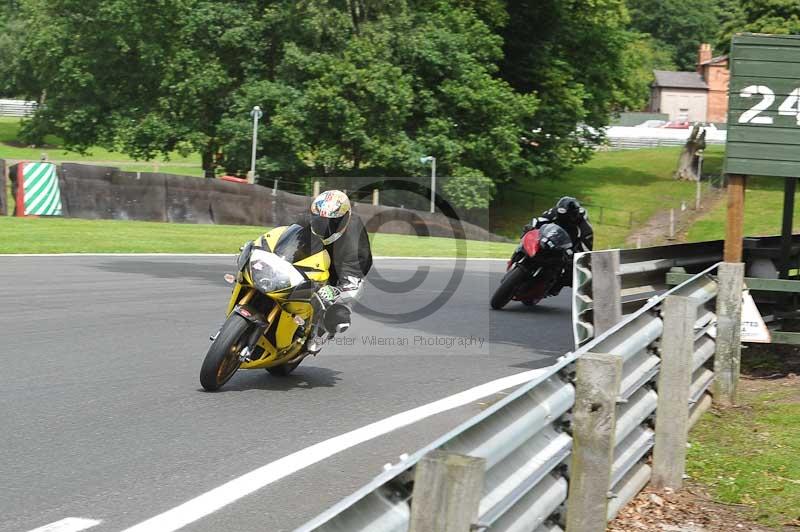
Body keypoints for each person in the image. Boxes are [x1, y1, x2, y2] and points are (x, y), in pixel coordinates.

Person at [301, 190, 372, 351]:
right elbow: (284, 236)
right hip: (314, 256)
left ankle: (318, 333)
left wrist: (336, 290)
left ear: (345, 218)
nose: (323, 226)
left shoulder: (355, 242)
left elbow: (352, 279)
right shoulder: (306, 219)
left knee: (338, 314)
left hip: (342, 270)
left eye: (331, 222)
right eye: (319, 220)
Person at [523, 196, 593, 293]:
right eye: (561, 215)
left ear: (575, 214)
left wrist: (574, 255)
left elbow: (586, 249)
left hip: (567, 248)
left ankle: (553, 287)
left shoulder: (585, 227)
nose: (564, 218)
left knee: (569, 273)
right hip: (549, 237)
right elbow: (540, 219)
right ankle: (519, 256)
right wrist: (531, 226)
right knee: (529, 238)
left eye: (567, 216)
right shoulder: (555, 211)